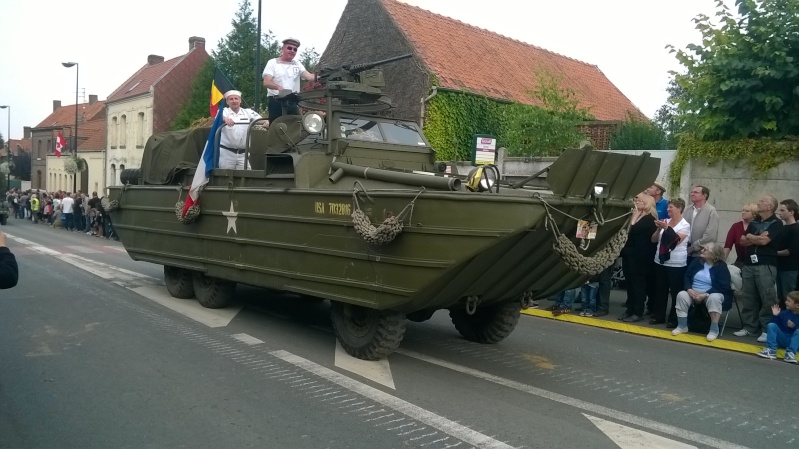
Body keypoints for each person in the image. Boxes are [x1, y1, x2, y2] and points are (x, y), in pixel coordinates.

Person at [734, 195, 783, 342]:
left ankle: (767, 328)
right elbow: (742, 241)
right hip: (749, 264)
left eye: (762, 202)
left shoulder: (776, 223)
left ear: (769, 206)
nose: (758, 203)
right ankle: (750, 327)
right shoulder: (754, 222)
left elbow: (764, 241)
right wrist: (753, 236)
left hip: (765, 264)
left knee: (767, 297)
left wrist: (751, 237)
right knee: (748, 297)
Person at [671, 242, 733, 341]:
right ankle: (682, 326)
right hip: (693, 291)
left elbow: (723, 286)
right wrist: (689, 289)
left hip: (711, 293)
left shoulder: (721, 266)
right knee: (681, 295)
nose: (702, 250)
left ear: (714, 254)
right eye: (703, 248)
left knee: (714, 298)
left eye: (706, 249)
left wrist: (705, 294)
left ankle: (713, 330)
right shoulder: (696, 261)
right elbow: (687, 276)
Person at [650, 198, 691, 326]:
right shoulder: (665, 222)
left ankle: (674, 319)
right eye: (668, 207)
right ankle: (658, 316)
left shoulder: (685, 225)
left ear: (679, 209)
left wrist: (667, 228)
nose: (668, 210)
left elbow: (676, 240)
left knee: (675, 292)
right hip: (660, 261)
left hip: (676, 264)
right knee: (660, 290)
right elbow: (653, 240)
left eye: (671, 207)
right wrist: (658, 230)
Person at [618, 193, 658, 322]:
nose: (636, 202)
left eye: (639, 200)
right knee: (629, 283)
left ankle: (637, 311)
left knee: (638, 284)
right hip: (629, 254)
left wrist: (634, 216)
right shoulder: (638, 216)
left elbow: (632, 230)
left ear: (646, 204)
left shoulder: (649, 219)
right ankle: (630, 308)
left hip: (640, 256)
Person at [262, 37, 316, 122]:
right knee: (276, 127)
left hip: (292, 101)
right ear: (282, 49)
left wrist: (321, 76)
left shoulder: (297, 64)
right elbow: (266, 82)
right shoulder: (273, 62)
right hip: (276, 101)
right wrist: (278, 88)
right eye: (289, 48)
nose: (292, 51)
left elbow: (308, 76)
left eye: (295, 49)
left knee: (293, 128)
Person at [218, 90, 263, 170]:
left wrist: (266, 122)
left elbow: (260, 120)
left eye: (236, 98)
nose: (234, 101)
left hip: (243, 154)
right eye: (231, 99)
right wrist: (225, 119)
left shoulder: (248, 112)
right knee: (226, 178)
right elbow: (219, 117)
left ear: (240, 101)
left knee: (247, 177)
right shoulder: (223, 111)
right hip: (227, 154)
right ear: (227, 102)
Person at [756, 291, 799, 362]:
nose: (786, 302)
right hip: (783, 338)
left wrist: (794, 327)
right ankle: (771, 350)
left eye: (789, 301)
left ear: (797, 305)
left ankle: (790, 353)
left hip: (796, 343)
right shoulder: (784, 313)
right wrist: (775, 316)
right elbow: (772, 327)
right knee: (771, 325)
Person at [684, 185, 719, 267]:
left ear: (704, 195)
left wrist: (693, 248)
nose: (692, 194)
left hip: (700, 255)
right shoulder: (687, 209)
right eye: (692, 192)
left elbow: (710, 236)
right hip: (684, 252)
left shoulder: (711, 211)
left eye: (695, 192)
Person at [776, 199, 799, 305]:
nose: (779, 213)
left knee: (789, 298)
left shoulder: (796, 229)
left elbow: (791, 251)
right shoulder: (783, 228)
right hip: (779, 267)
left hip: (790, 269)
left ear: (791, 212)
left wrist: (772, 253)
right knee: (781, 297)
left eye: (782, 210)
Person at [723, 202, 759, 267]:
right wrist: (721, 262)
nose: (743, 212)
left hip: (756, 263)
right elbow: (727, 246)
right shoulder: (736, 226)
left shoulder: (759, 226)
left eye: (747, 211)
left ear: (754, 214)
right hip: (740, 262)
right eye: (743, 210)